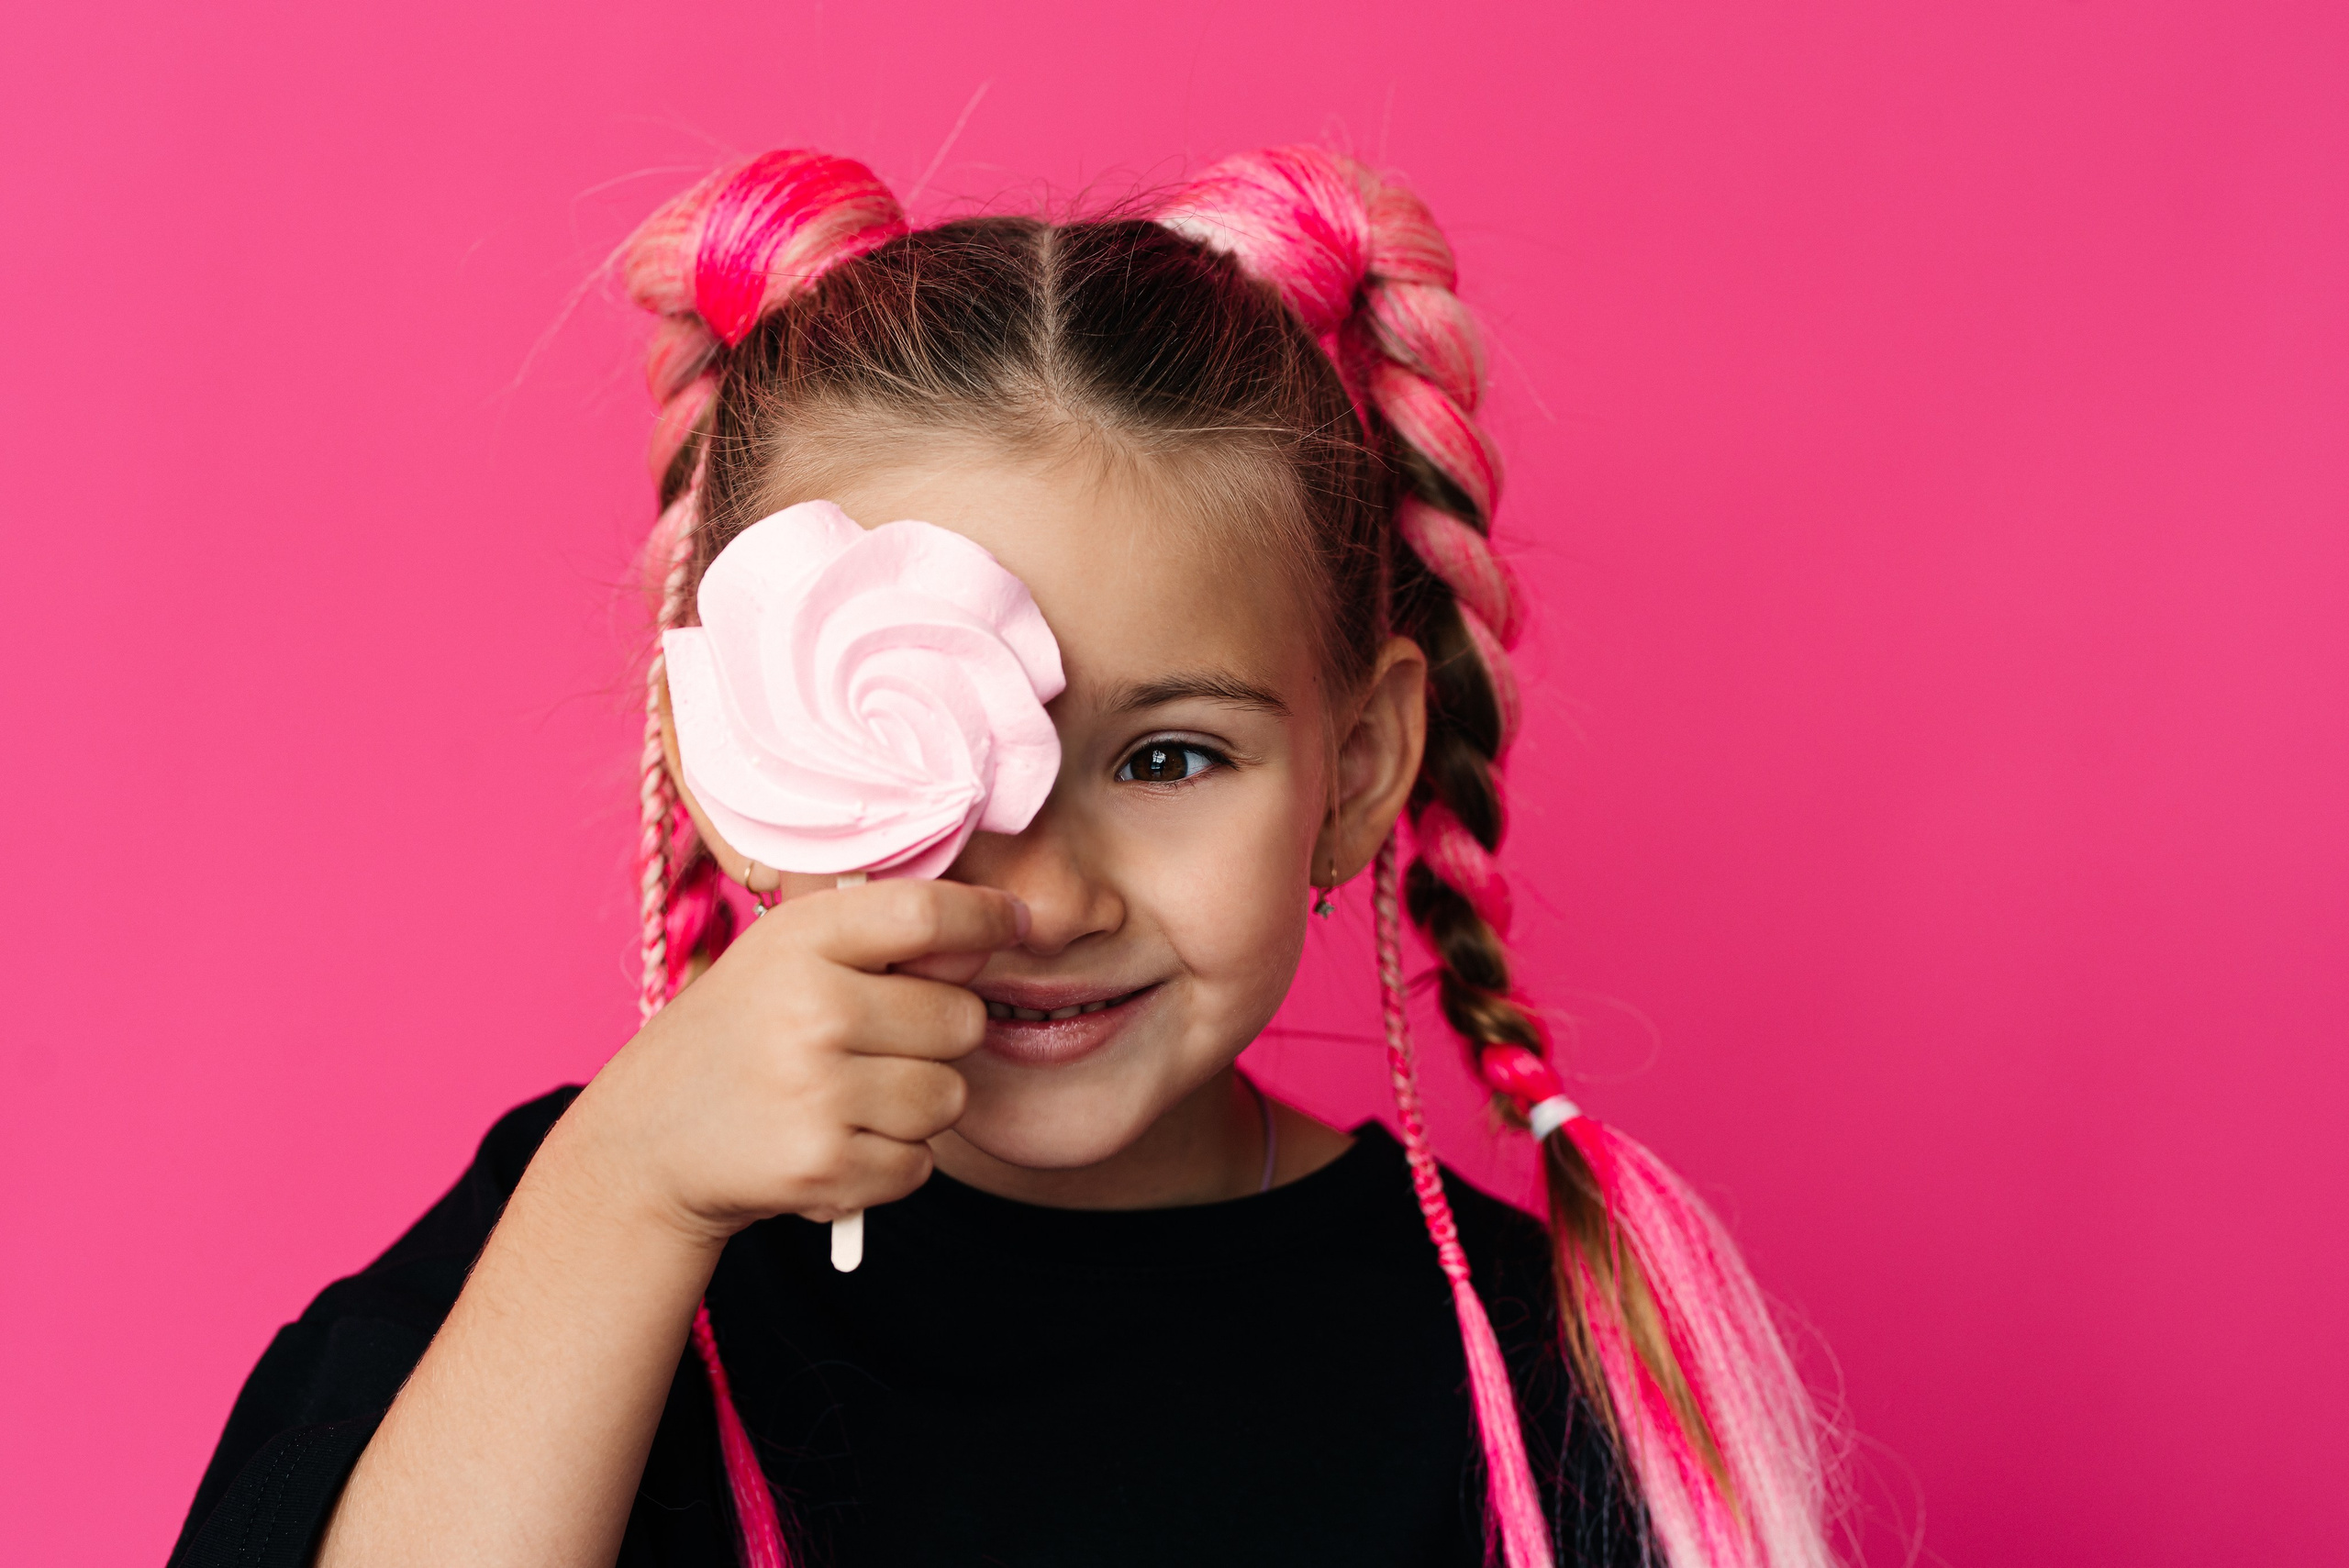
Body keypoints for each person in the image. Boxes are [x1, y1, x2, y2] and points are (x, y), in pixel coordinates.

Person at [169, 145, 1836, 1568]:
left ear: (1358, 766)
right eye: (929, 750)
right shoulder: (579, 1241)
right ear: (742, 754)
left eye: (1169, 755)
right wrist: (624, 1200)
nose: (1037, 890)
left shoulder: (1538, 1357)